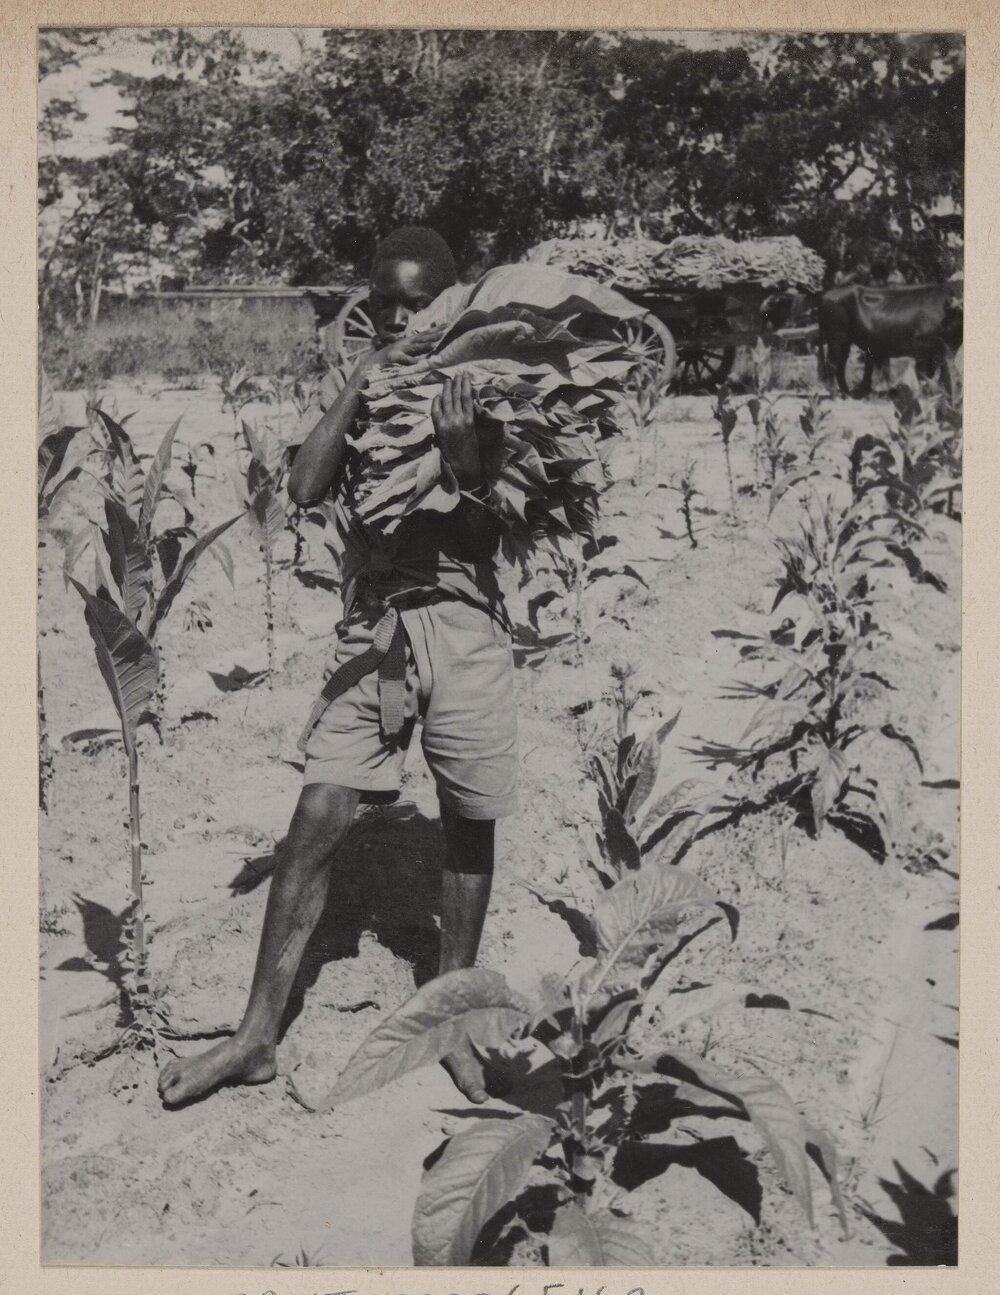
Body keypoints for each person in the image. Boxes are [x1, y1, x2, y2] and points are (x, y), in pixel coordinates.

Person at [158, 227, 517, 1107]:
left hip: (464, 622)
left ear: (449, 302)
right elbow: (309, 488)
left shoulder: (486, 385)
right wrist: (362, 380)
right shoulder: (358, 384)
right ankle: (254, 1036)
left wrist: (468, 465)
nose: (400, 318)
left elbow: (490, 536)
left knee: (469, 820)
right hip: (376, 625)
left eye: (418, 303)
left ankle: (448, 1018)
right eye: (385, 303)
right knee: (318, 811)